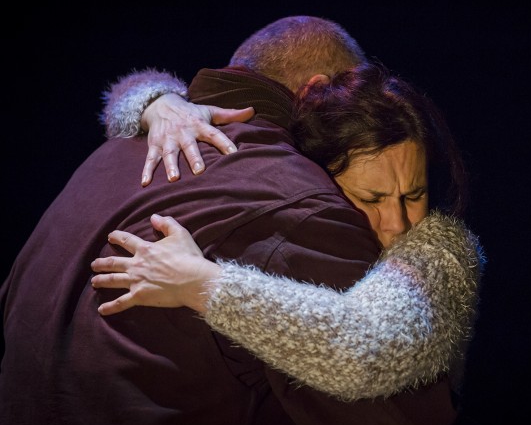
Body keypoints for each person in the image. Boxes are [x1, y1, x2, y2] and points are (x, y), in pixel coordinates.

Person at [0, 16, 496, 425]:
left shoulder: (105, 160)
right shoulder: (299, 200)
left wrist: (156, 99)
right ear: (319, 90)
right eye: (352, 95)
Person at [91, 61, 485, 402]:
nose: (398, 224)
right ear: (318, 181)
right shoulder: (309, 204)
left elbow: (363, 350)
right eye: (372, 198)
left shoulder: (440, 251)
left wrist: (199, 282)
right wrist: (159, 103)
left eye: (414, 194)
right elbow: (132, 92)